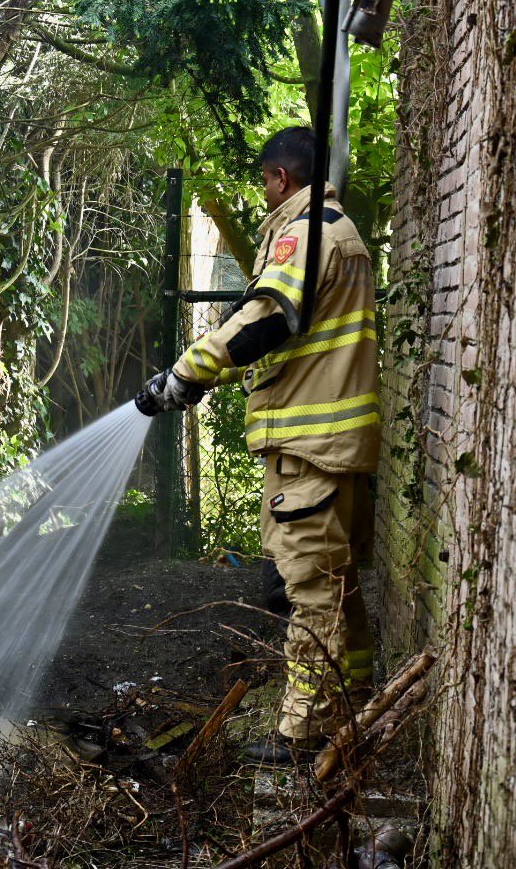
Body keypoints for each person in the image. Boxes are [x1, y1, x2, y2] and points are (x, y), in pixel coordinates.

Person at [136, 126, 380, 764]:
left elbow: (268, 316)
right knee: (337, 583)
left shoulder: (308, 232)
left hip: (311, 447)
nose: (263, 196)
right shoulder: (341, 233)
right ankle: (352, 710)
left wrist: (188, 374)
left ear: (282, 178)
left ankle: (304, 736)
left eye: (265, 183)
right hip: (331, 445)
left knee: (310, 592)